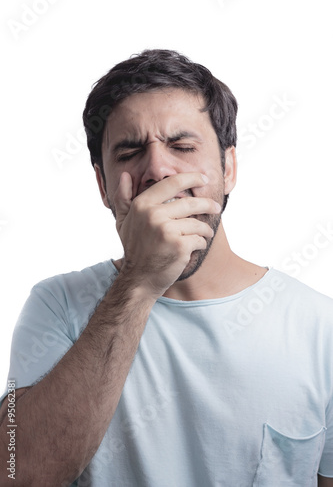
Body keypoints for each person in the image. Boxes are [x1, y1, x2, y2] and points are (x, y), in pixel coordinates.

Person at [0, 49, 332, 487]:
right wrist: (139, 281)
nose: (158, 169)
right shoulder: (55, 306)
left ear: (228, 168)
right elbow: (13, 472)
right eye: (130, 151)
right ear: (103, 185)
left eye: (182, 146)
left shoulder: (320, 327)